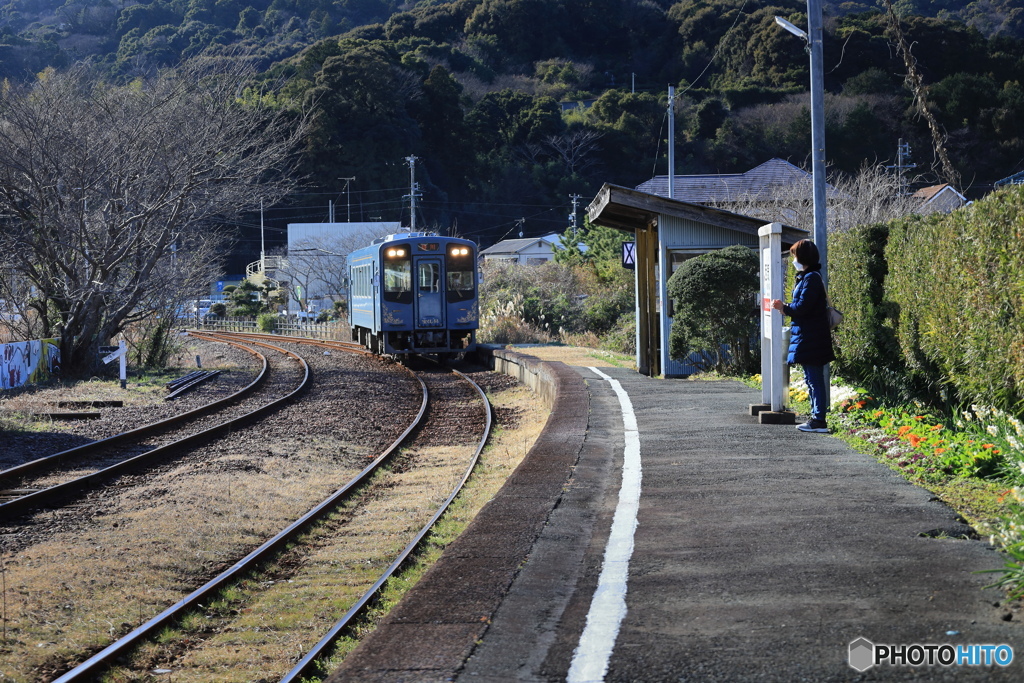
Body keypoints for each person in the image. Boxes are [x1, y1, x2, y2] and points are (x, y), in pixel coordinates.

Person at [770, 239, 836, 433]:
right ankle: (816, 418)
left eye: (795, 255)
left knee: (814, 379)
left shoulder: (811, 278)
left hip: (811, 335)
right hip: (810, 334)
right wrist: (787, 308)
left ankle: (819, 421)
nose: (794, 259)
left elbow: (803, 307)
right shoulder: (807, 277)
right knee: (812, 379)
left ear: (803, 257)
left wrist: (785, 307)